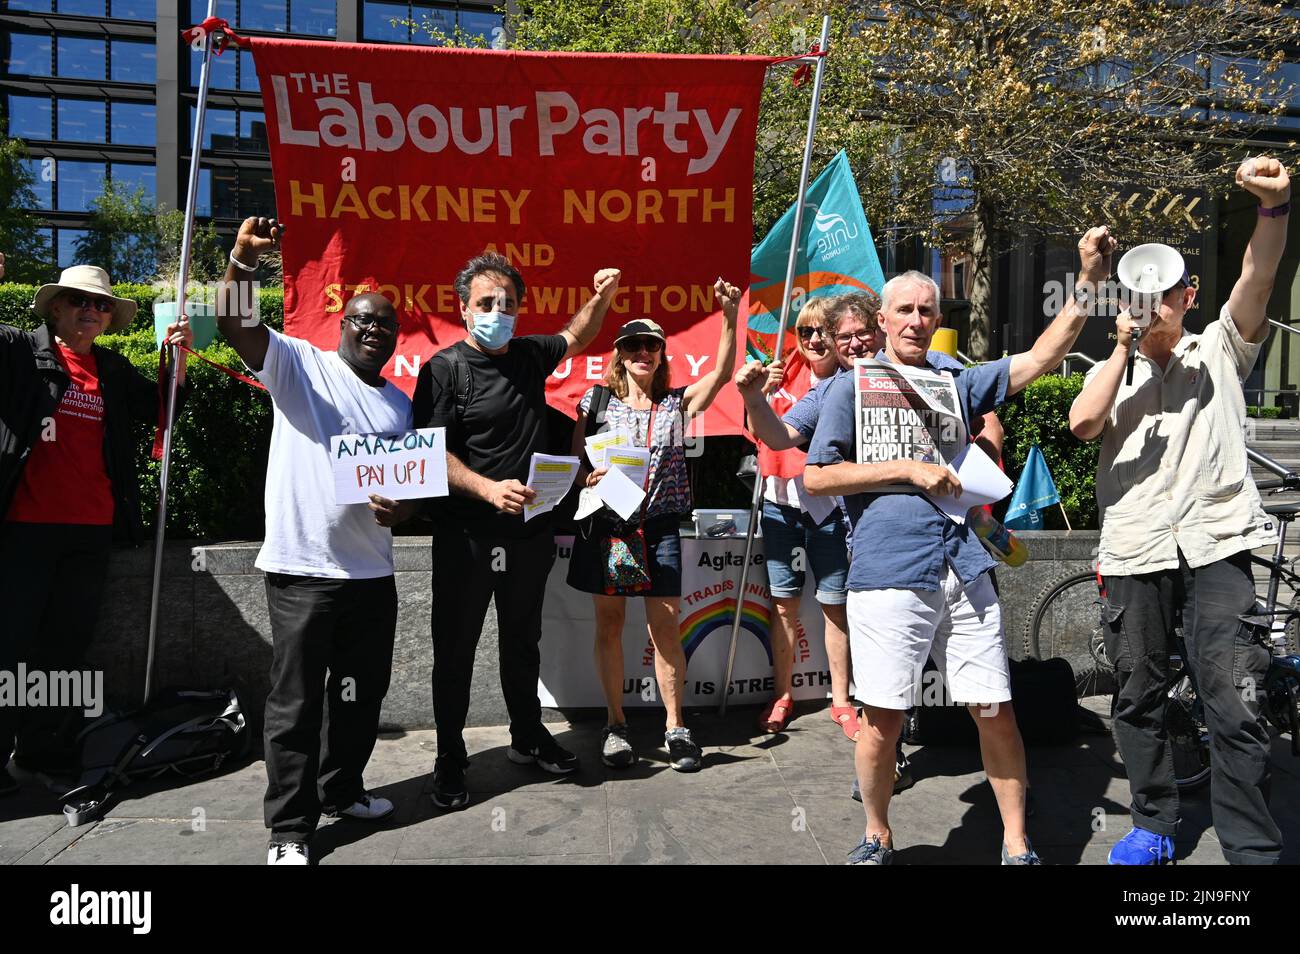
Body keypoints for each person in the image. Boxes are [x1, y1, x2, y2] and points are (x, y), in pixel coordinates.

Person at [804, 228, 1113, 865]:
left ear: (937, 319)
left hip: (965, 565)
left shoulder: (958, 381)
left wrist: (1088, 279)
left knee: (995, 707)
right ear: (882, 319)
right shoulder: (848, 386)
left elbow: (1041, 356)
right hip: (888, 571)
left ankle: (1017, 841)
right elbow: (816, 476)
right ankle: (876, 832)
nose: (916, 320)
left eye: (927, 310)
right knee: (883, 718)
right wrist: (907, 471)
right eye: (905, 310)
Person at [1069, 158, 1290, 866]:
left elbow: (1258, 276)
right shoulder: (1115, 364)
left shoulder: (1221, 347)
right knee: (1137, 695)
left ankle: (1251, 846)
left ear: (1188, 295)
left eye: (1165, 292)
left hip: (1217, 545)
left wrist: (1273, 210)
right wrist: (1124, 340)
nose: (1153, 301)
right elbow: (1082, 423)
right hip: (1136, 551)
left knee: (1236, 702)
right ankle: (1155, 825)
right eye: (1141, 292)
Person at [216, 217, 415, 866]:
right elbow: (237, 329)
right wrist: (243, 261)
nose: (372, 329)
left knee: (360, 696)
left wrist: (403, 505)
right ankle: (291, 830)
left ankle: (344, 790)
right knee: (296, 704)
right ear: (341, 326)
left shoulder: (400, 405)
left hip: (370, 575)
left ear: (394, 337)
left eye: (384, 323)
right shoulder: (298, 364)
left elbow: (407, 490)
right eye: (362, 319)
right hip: (302, 573)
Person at [412, 253, 620, 810]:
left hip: (527, 537)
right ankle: (450, 758)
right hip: (466, 539)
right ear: (464, 309)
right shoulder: (443, 369)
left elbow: (577, 334)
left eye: (507, 304)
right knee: (454, 652)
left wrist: (602, 292)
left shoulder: (530, 355)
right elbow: (431, 454)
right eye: (486, 304)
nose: (498, 313)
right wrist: (486, 489)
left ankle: (527, 737)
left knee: (523, 643)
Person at [0, 254, 192, 795]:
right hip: (25, 529)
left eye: (100, 306)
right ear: (55, 308)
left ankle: (44, 750)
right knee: (8, 648)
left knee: (65, 650)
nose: (89, 311)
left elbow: (165, 410)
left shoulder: (110, 369)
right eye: (79, 301)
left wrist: (175, 364)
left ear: (109, 318)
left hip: (90, 532)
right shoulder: (21, 352)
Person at [568, 280, 739, 772]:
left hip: (660, 526)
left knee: (664, 625)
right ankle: (616, 724)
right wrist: (588, 474)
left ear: (662, 355)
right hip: (610, 525)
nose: (643, 351)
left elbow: (724, 371)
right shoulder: (595, 401)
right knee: (611, 624)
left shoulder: (678, 403)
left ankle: (675, 727)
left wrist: (728, 316)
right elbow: (574, 458)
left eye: (652, 345)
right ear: (619, 355)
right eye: (633, 345)